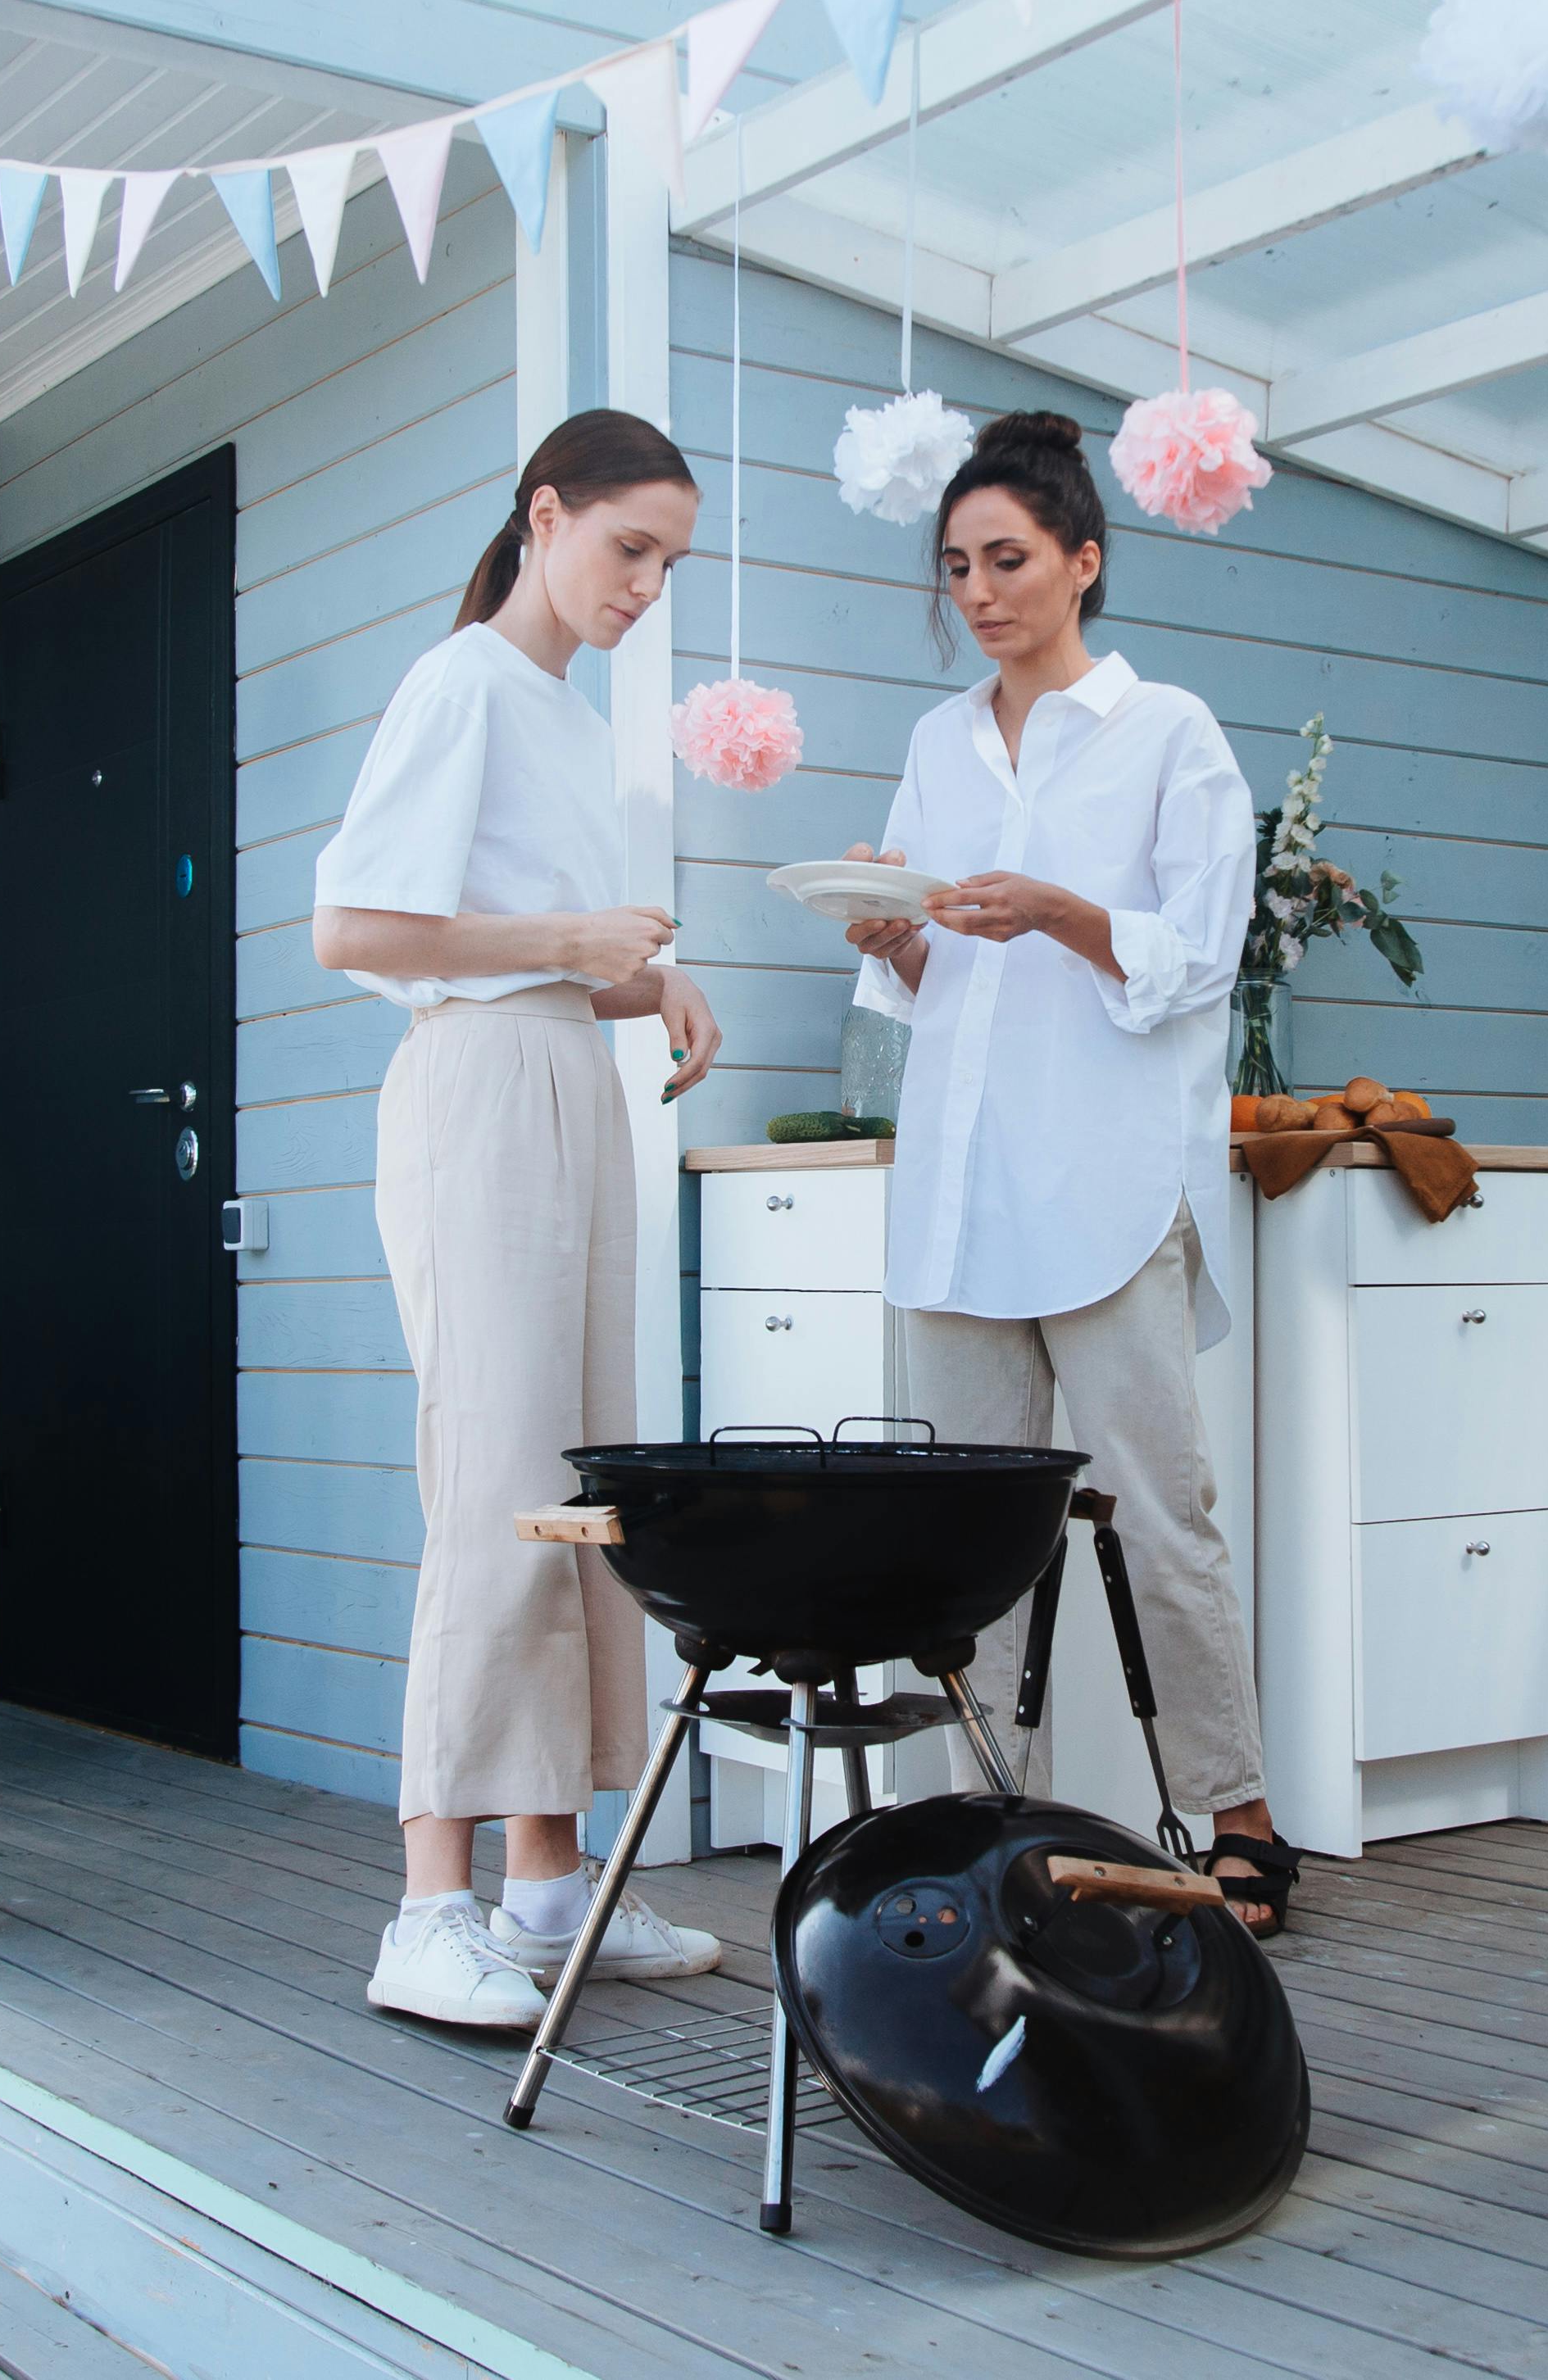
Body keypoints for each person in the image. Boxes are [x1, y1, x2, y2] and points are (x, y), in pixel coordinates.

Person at [839, 409, 1301, 1935]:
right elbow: (916, 969)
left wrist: (1062, 911)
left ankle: (1242, 1813)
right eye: (958, 565)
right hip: (959, 1200)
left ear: (1085, 562)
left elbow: (1196, 961)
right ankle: (981, 1821)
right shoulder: (935, 742)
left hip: (1105, 1191)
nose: (979, 590)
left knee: (1165, 1515)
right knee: (960, 1541)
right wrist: (893, 937)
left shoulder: (1173, 736)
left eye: (1010, 559)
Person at [311, 409, 735, 2027]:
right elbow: (353, 926)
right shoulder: (459, 683)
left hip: (569, 1085)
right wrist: (572, 932)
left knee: (584, 1486)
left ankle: (551, 1888)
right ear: (543, 515)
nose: (645, 585)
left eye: (667, 563)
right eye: (627, 547)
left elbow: (553, 951)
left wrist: (656, 983)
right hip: (474, 1097)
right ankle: (429, 1904)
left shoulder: (563, 717)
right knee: (491, 1485)